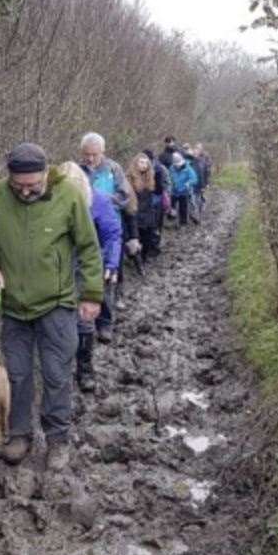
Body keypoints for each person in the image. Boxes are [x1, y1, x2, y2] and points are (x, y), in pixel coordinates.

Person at [0, 142, 103, 467]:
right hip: (13, 306)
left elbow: (89, 248)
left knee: (56, 374)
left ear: (46, 175)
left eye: (32, 185)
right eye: (17, 185)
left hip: (57, 303)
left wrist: (91, 295)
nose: (24, 192)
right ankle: (19, 435)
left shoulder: (69, 197)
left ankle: (58, 440)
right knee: (18, 375)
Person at [59, 162, 120, 394]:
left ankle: (85, 369)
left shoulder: (99, 202)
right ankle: (59, 371)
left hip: (87, 266)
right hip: (58, 268)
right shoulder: (49, 205)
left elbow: (112, 234)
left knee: (84, 320)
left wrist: (112, 263)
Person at [78, 132, 132, 344]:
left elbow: (125, 196)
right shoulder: (77, 171)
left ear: (102, 152)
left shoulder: (114, 169)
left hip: (109, 228)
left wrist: (100, 199)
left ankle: (105, 323)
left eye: (94, 154)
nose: (90, 159)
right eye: (86, 154)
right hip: (83, 227)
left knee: (107, 278)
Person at [127, 153, 164, 262]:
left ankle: (144, 257)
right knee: (135, 238)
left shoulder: (150, 177)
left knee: (147, 238)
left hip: (148, 212)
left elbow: (158, 191)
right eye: (141, 162)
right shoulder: (129, 177)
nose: (144, 165)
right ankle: (137, 261)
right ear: (136, 163)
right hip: (135, 212)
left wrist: (158, 177)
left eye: (146, 163)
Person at [169, 151, 198, 227]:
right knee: (172, 207)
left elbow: (194, 179)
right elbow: (169, 178)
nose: (178, 166)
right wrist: (170, 185)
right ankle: (172, 222)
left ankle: (183, 223)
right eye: (176, 164)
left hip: (184, 191)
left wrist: (188, 183)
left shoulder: (188, 168)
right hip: (174, 191)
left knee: (183, 208)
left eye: (179, 164)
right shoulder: (171, 168)